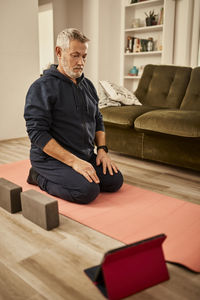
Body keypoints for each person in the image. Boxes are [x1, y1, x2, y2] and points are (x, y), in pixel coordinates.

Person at [24, 28, 123, 204]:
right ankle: (38, 176)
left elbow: (97, 119)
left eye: (84, 56)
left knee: (115, 181)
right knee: (87, 190)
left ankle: (79, 168)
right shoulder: (41, 87)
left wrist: (102, 150)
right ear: (59, 52)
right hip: (50, 159)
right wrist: (73, 162)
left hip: (84, 154)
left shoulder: (88, 86)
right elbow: (37, 133)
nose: (81, 62)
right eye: (75, 55)